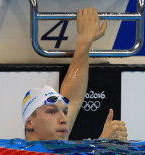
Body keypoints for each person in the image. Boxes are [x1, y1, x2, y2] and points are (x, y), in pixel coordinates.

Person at [22, 7, 128, 141]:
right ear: (29, 123)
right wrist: (104, 143)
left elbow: (73, 99)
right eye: (52, 112)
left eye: (64, 112)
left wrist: (84, 41)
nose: (63, 119)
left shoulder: (57, 144)